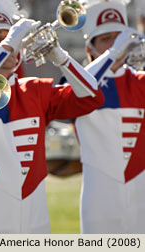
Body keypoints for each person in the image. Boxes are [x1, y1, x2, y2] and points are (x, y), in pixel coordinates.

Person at [0, 0, 104, 233]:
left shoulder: (34, 90)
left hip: (36, 212)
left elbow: (91, 97)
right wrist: (11, 41)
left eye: (10, 38)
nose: (9, 46)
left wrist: (58, 55)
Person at [75, 0, 145, 233]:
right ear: (89, 49)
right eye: (106, 39)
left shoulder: (140, 82)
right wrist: (113, 55)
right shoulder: (79, 83)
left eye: (120, 37)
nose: (116, 45)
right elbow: (73, 87)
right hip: (100, 196)